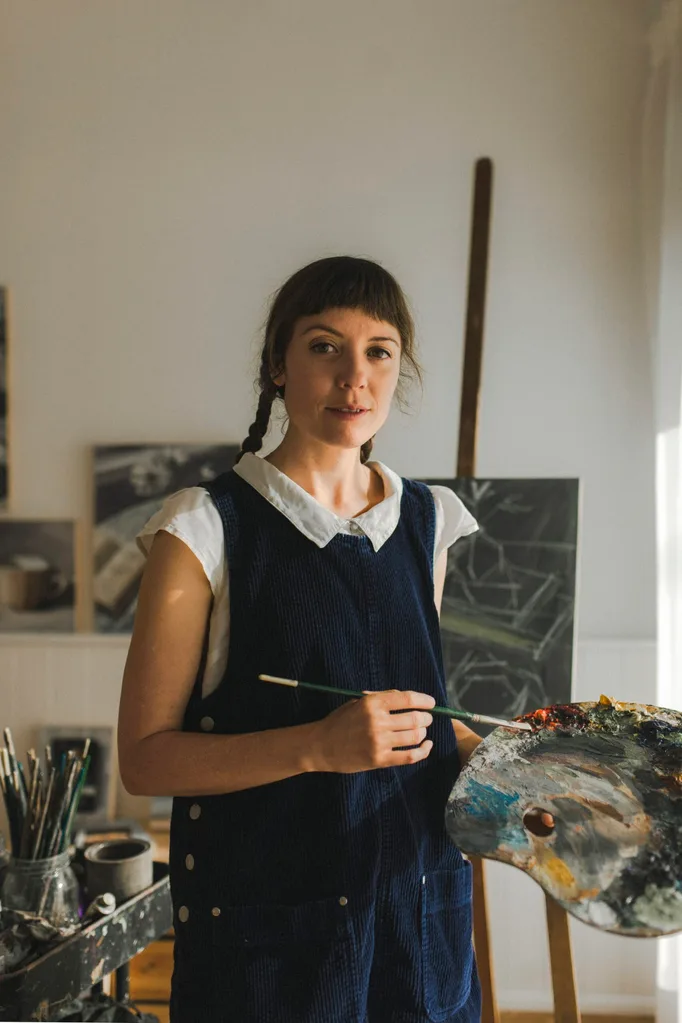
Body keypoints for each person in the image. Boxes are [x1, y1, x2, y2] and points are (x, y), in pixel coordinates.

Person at [117, 255, 484, 1022]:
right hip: (271, 958)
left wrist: (518, 773)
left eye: (379, 351)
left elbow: (421, 719)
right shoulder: (205, 527)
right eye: (325, 346)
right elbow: (146, 756)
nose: (355, 376)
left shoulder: (428, 522)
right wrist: (317, 746)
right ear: (277, 365)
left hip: (419, 936)